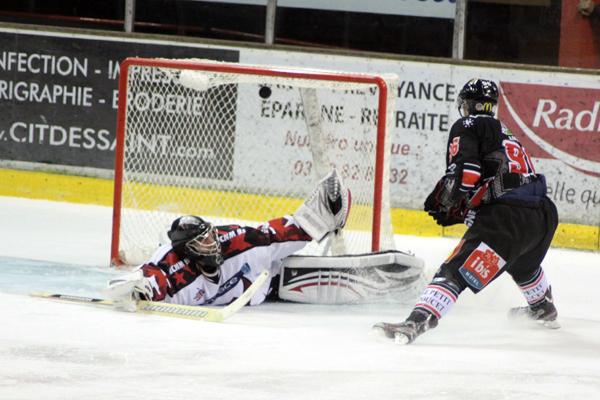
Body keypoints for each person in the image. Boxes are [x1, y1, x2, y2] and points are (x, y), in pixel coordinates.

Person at [373, 78, 560, 344]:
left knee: (454, 271)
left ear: (466, 105)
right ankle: (543, 307)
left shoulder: (469, 124)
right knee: (522, 263)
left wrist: (452, 198)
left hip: (508, 220)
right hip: (542, 216)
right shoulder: (505, 131)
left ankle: (415, 323)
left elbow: (468, 174)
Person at [107, 169, 351, 306]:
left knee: (269, 251)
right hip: (263, 294)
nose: (213, 243)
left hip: (271, 278)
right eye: (202, 242)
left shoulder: (235, 241)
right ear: (188, 250)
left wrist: (315, 219)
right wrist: (139, 288)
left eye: (211, 236)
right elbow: (152, 274)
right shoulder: (174, 267)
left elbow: (274, 233)